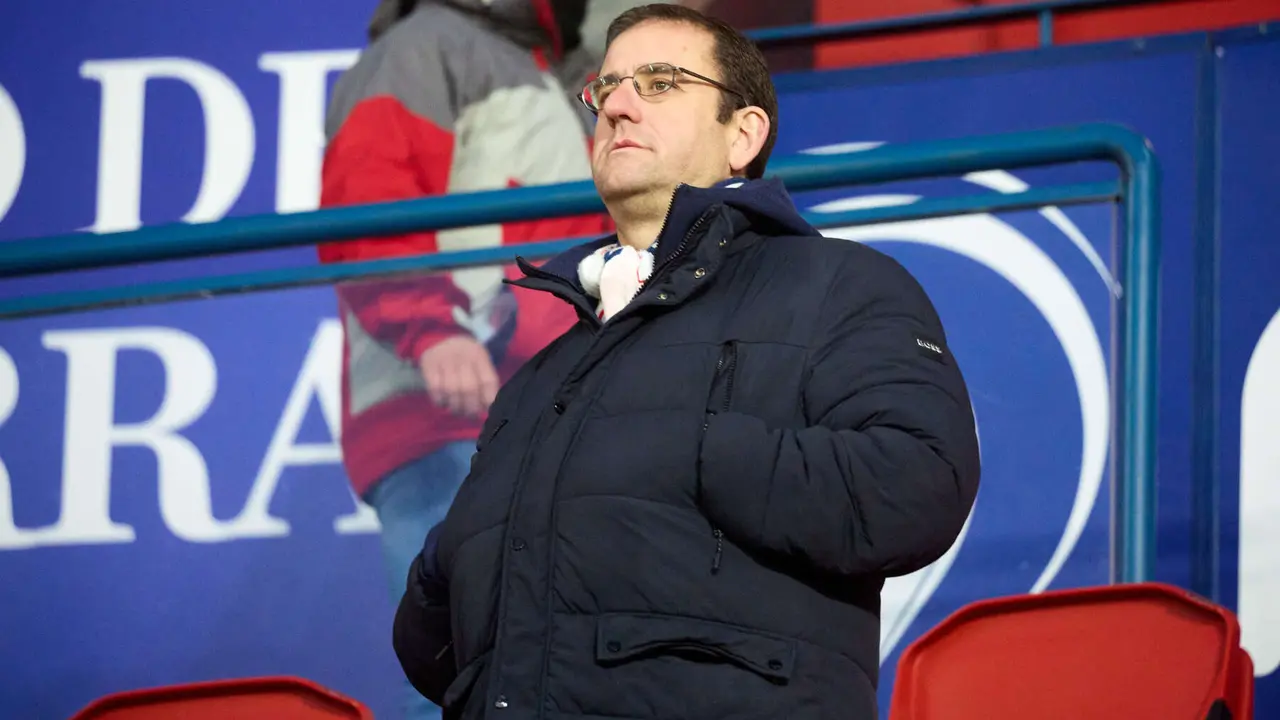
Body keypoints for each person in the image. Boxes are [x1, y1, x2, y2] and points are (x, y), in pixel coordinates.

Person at [392, 4, 982, 719]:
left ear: (743, 134)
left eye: (661, 82)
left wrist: (691, 448)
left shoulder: (838, 283)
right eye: (604, 88)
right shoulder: (540, 374)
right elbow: (433, 638)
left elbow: (916, 484)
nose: (617, 104)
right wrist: (450, 553)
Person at [316, 1, 612, 717]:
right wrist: (432, 330)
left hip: (551, 409)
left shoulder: (570, 75)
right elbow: (368, 195)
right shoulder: (425, 46)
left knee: (554, 670)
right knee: (461, 672)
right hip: (444, 412)